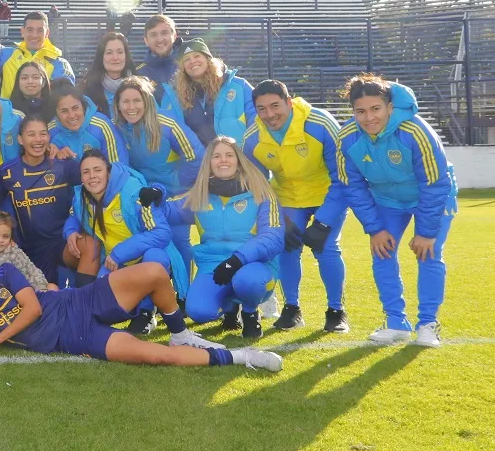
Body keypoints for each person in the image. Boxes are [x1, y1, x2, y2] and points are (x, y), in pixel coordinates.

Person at [0, 245, 282, 372]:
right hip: (75, 337)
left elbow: (31, 309)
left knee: (155, 272)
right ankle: (242, 358)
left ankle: (181, 333)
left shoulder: (5, 272)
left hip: (78, 300)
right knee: (154, 357)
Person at [337, 75, 456, 348]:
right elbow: (352, 187)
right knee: (382, 252)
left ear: (389, 107)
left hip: (433, 197)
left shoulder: (415, 131)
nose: (369, 118)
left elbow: (435, 183)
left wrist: (425, 233)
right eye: (361, 111)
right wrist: (374, 228)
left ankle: (427, 324)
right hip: (388, 200)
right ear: (353, 111)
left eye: (375, 109)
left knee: (429, 253)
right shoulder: (347, 137)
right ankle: (395, 322)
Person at [244, 80, 350, 333]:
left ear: (289, 102)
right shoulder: (252, 138)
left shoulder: (320, 123)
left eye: (275, 106)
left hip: (328, 194)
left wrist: (323, 221)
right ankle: (292, 309)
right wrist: (282, 219)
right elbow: (258, 185)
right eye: (262, 109)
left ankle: (336, 311)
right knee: (287, 247)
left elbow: (343, 177)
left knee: (326, 248)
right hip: (288, 198)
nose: (270, 114)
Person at [163, 136, 283, 339]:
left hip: (252, 265)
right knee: (198, 311)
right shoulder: (199, 194)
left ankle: (250, 311)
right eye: (216, 156)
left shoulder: (261, 192)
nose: (223, 160)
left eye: (229, 155)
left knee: (249, 282)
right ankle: (229, 308)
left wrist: (237, 260)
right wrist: (156, 193)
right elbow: (168, 209)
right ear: (209, 162)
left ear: (239, 160)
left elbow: (274, 237)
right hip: (213, 266)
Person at [64, 149, 189, 335]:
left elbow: (161, 232)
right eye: (86, 172)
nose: (92, 176)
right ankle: (136, 307)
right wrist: (71, 231)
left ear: (108, 171)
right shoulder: (81, 196)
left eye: (97, 170)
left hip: (141, 255)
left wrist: (119, 253)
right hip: (115, 262)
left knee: (154, 258)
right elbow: (74, 214)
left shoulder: (133, 193)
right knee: (103, 310)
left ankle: (147, 311)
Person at [0, 116, 82, 285]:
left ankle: (86, 299)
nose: (38, 140)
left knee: (90, 247)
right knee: (45, 294)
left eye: (43, 134)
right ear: (20, 139)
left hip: (62, 243)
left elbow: (95, 181)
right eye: (31, 134)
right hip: (29, 249)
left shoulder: (63, 166)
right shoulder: (7, 172)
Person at [112, 77, 203, 194]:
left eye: (137, 100)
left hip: (175, 193)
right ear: (118, 105)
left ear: (146, 101)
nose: (131, 107)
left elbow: (196, 156)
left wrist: (179, 182)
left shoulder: (168, 124)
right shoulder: (116, 128)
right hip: (143, 193)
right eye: (125, 102)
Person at [172, 38, 255, 145]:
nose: (192, 61)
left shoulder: (238, 85)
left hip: (238, 157)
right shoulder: (178, 97)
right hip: (201, 160)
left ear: (208, 59)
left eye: (197, 56)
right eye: (186, 59)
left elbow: (257, 119)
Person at [48, 84, 124, 164]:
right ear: (56, 113)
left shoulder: (101, 126)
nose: (71, 115)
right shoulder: (50, 132)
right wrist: (56, 159)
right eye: (64, 111)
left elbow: (119, 166)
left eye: (75, 108)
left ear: (83, 108)